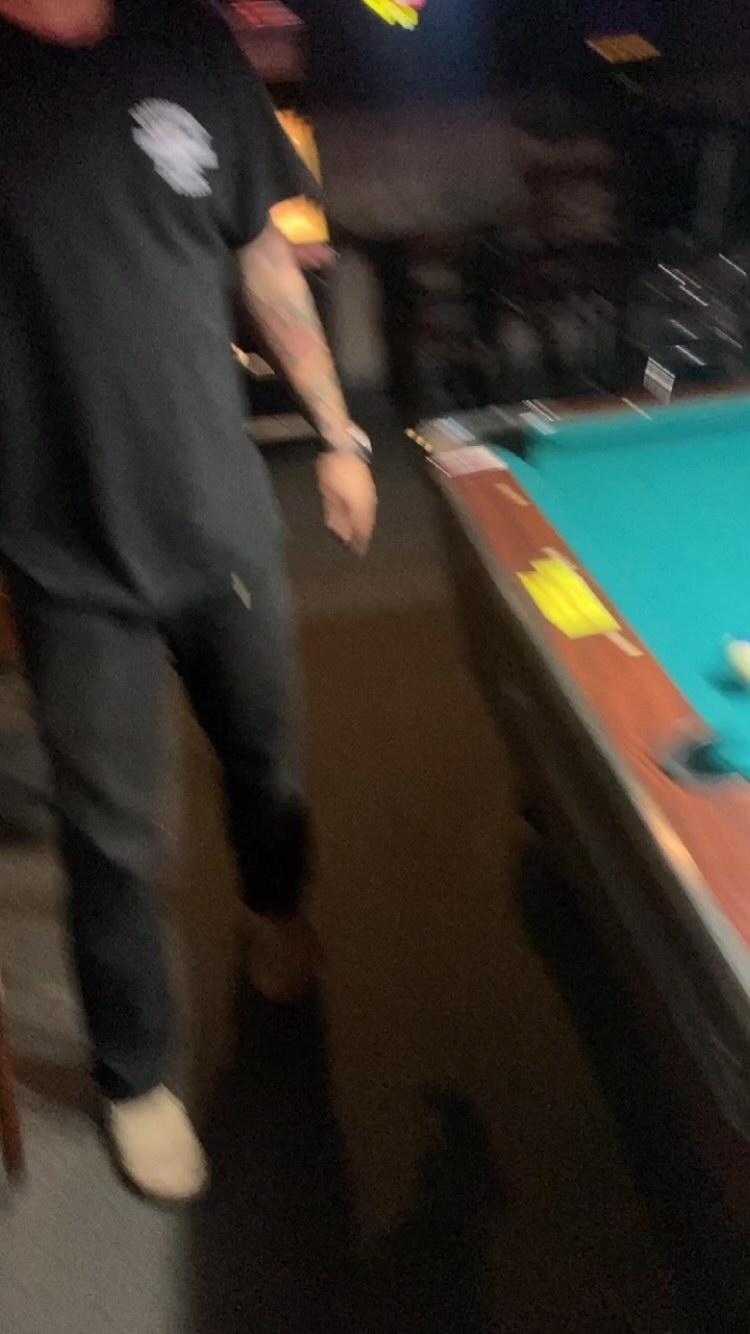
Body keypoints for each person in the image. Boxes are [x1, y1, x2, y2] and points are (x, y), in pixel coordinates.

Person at [0, 0, 377, 1204]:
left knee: (267, 759)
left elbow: (258, 256)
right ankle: (136, 1076)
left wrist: (338, 431)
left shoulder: (190, 46)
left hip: (220, 515)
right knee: (115, 837)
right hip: (63, 544)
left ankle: (277, 908)